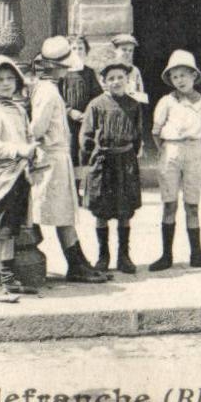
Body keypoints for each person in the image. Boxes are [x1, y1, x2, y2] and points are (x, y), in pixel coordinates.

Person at [29, 35, 110, 284]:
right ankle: (75, 264)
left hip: (58, 158)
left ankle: (78, 262)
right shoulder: (47, 92)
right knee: (59, 214)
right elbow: (36, 129)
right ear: (55, 67)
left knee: (64, 213)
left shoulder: (50, 89)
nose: (66, 71)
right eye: (63, 66)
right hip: (50, 159)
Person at [149, 49, 201, 271]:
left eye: (183, 75)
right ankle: (166, 256)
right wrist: (167, 150)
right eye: (174, 76)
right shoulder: (166, 102)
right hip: (171, 151)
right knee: (169, 203)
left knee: (192, 204)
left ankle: (197, 254)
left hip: (193, 151)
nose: (179, 80)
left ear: (194, 76)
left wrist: (193, 150)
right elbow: (156, 131)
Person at [0, 55, 40, 304]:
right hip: (1, 181)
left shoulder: (17, 109)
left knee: (11, 232)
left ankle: (8, 278)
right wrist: (19, 150)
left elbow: (26, 137)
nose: (5, 84)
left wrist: (33, 149)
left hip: (19, 177)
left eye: (10, 79)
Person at [79, 58, 143, 274]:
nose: (116, 82)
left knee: (125, 210)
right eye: (111, 78)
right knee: (101, 211)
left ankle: (124, 256)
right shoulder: (96, 105)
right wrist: (93, 160)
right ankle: (103, 256)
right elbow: (85, 138)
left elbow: (138, 136)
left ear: (127, 80)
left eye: (120, 78)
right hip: (103, 163)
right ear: (104, 82)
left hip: (125, 163)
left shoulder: (133, 105)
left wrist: (131, 155)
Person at [58, 34, 100, 168]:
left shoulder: (89, 73)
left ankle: (82, 185)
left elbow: (97, 96)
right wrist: (70, 111)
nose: (77, 52)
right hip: (67, 122)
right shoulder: (62, 73)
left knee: (85, 152)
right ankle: (72, 188)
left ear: (86, 51)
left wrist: (88, 113)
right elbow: (57, 96)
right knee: (70, 153)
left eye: (80, 48)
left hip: (85, 121)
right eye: (73, 48)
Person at [109, 33, 149, 105]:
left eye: (130, 50)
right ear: (115, 50)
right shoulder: (109, 70)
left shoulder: (134, 71)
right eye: (124, 49)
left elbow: (141, 93)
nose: (128, 53)